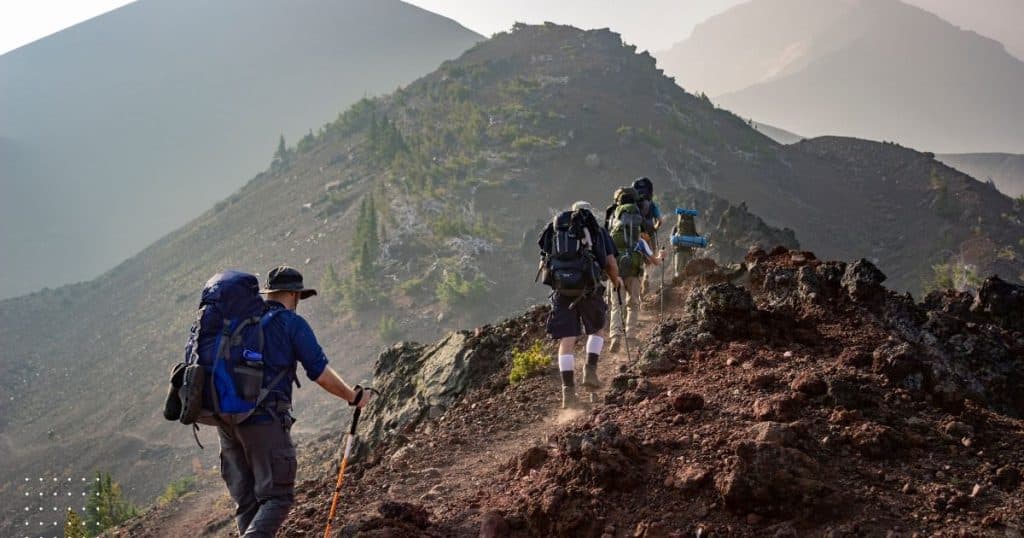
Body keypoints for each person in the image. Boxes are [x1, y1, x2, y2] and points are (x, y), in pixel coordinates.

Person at [218, 265, 373, 537]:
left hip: (225, 418)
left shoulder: (241, 322)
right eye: (299, 296)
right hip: (263, 420)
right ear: (293, 294)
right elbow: (321, 374)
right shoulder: (291, 323)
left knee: (248, 502)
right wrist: (353, 396)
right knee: (277, 497)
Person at [538, 201, 622, 409]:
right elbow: (610, 263)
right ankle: (590, 370)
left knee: (566, 341)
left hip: (561, 291)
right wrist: (616, 281)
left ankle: (568, 393)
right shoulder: (596, 230)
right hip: (588, 289)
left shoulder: (554, 230)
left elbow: (544, 262)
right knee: (596, 331)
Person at [606, 187, 659, 352]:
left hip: (616, 273)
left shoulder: (612, 227)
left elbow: (606, 254)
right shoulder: (638, 234)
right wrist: (660, 255)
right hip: (635, 272)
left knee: (616, 306)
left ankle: (615, 336)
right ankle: (630, 335)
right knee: (633, 305)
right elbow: (653, 259)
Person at [672, 210, 699, 281]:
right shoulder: (691, 228)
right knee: (688, 272)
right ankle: (686, 287)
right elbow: (697, 239)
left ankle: (678, 286)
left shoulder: (677, 227)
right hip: (689, 252)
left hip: (679, 252)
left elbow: (672, 240)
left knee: (679, 272)